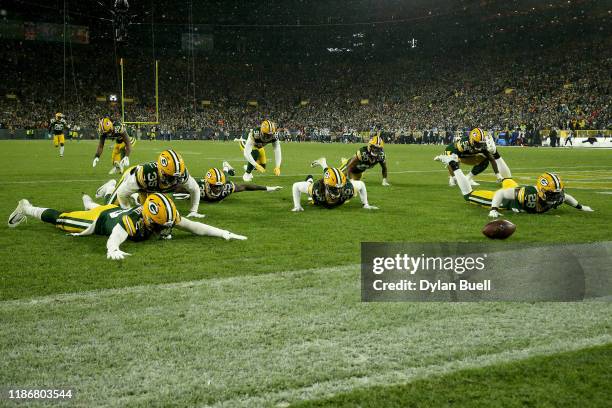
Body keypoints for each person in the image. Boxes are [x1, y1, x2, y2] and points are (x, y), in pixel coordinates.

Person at [7, 193, 247, 261]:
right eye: (162, 225)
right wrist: (112, 250)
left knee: (95, 206)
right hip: (99, 221)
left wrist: (223, 233)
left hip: (112, 211)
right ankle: (27, 207)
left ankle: (89, 199)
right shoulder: (133, 221)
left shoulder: (163, 214)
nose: (167, 228)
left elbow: (195, 227)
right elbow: (115, 236)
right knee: (62, 219)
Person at [435, 154, 593, 217]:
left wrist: (580, 207)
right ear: (542, 191)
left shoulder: (554, 195)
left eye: (556, 193)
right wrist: (494, 209)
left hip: (516, 190)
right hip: (506, 201)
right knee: (468, 195)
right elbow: (501, 194)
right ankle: (453, 163)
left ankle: (495, 152)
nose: (556, 197)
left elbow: (566, 198)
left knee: (507, 177)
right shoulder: (528, 195)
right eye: (552, 193)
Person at [98, 149, 205, 218]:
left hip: (150, 188)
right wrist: (127, 211)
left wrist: (193, 211)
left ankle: (137, 197)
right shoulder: (146, 174)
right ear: (160, 171)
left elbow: (195, 189)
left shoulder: (182, 174)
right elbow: (122, 193)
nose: (173, 180)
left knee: (147, 212)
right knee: (110, 209)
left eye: (176, 177)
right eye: (170, 176)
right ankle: (110, 187)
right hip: (132, 177)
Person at [291, 158, 378, 211]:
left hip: (337, 181)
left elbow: (361, 184)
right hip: (321, 187)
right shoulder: (317, 189)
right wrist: (297, 206)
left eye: (340, 188)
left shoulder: (347, 189)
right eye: (334, 189)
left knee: (339, 176)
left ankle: (323, 163)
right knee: (310, 188)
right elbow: (296, 186)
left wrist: (365, 204)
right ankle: (311, 177)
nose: (338, 191)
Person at [173, 162, 282, 203]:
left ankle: (226, 168)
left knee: (225, 177)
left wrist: (268, 188)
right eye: (215, 186)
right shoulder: (198, 186)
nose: (218, 189)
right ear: (207, 184)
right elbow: (175, 187)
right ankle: (225, 168)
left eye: (220, 186)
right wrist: (185, 195)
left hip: (223, 179)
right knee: (224, 175)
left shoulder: (226, 187)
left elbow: (246, 186)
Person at [439, 127, 510, 187]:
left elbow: (491, 159)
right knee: (452, 161)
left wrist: (498, 175)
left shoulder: (481, 145)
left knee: (485, 160)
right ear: (471, 140)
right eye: (477, 143)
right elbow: (452, 156)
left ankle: (468, 178)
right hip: (453, 152)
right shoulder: (464, 144)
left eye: (481, 143)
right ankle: (452, 178)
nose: (480, 145)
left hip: (466, 155)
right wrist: (454, 175)